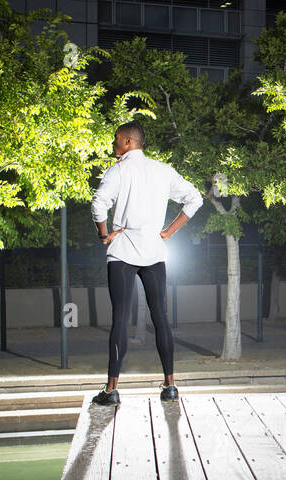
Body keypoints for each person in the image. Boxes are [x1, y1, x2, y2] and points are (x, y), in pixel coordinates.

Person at [91, 121, 203, 405]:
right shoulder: (162, 171)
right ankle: (170, 386)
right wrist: (167, 232)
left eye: (117, 139)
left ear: (129, 142)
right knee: (161, 317)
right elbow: (194, 199)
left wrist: (104, 235)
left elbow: (98, 204)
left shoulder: (117, 170)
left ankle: (111, 390)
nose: (113, 144)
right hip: (154, 253)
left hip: (123, 254)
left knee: (119, 319)